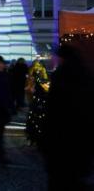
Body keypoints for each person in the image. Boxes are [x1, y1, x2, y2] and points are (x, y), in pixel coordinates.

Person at [40, 44, 94, 190]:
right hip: (80, 139)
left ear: (61, 58)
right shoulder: (86, 74)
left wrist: (46, 138)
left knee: (60, 180)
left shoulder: (61, 76)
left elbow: (53, 110)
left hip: (61, 139)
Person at [25, 58, 49, 146]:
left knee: (33, 109)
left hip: (35, 93)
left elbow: (29, 78)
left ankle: (32, 135)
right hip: (38, 93)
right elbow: (45, 79)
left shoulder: (33, 69)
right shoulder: (41, 70)